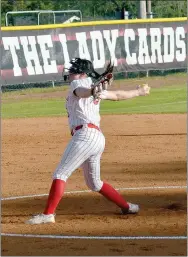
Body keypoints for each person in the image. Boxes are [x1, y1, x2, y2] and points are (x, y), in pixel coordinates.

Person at [26, 58, 151, 224]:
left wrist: (92, 91)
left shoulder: (79, 85)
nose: (70, 74)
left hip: (84, 136)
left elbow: (83, 92)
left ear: (83, 73)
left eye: (74, 71)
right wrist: (139, 92)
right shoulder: (93, 86)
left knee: (60, 174)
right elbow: (117, 95)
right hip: (97, 138)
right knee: (94, 183)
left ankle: (48, 214)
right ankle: (127, 207)